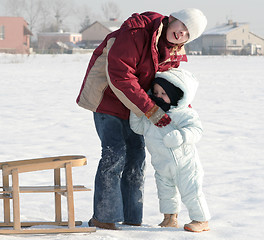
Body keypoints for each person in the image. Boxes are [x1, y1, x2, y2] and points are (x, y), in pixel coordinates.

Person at [76, 8, 207, 230]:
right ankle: (105, 217)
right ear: (172, 19)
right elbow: (120, 75)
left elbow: (171, 84)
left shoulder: (173, 50)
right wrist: (151, 110)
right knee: (114, 152)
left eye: (188, 33)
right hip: (108, 97)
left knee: (136, 156)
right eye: (182, 26)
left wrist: (181, 110)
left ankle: (131, 219)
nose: (182, 33)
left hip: (138, 105)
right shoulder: (137, 32)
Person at [130, 68, 211, 232]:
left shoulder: (183, 113)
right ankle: (170, 218)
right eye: (156, 92)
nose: (158, 96)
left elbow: (197, 130)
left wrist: (181, 136)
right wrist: (137, 110)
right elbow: (137, 128)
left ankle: (201, 219)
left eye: (163, 93)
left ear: (174, 95)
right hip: (162, 165)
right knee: (166, 192)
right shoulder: (152, 114)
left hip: (185, 164)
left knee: (191, 192)